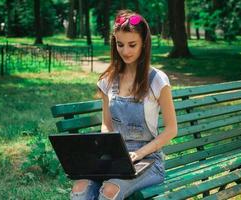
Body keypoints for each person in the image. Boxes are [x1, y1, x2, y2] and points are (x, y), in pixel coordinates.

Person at [70, 9, 177, 200]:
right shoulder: (107, 81)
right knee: (80, 187)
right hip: (115, 158)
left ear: (144, 43)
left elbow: (171, 130)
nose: (125, 51)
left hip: (149, 161)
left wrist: (137, 154)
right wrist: (108, 150)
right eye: (120, 44)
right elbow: (107, 125)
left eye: (132, 45)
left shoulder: (158, 80)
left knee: (110, 190)